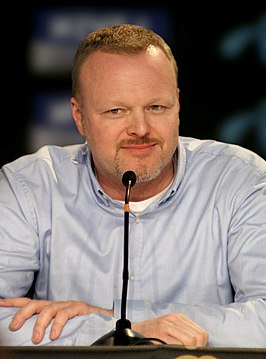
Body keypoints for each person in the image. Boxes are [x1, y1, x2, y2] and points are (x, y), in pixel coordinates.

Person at [0, 23, 266, 349]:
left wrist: (119, 322)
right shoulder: (28, 187)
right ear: (79, 116)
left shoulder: (241, 180)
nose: (140, 129)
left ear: (178, 104)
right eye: (116, 111)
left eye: (156, 107)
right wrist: (134, 328)